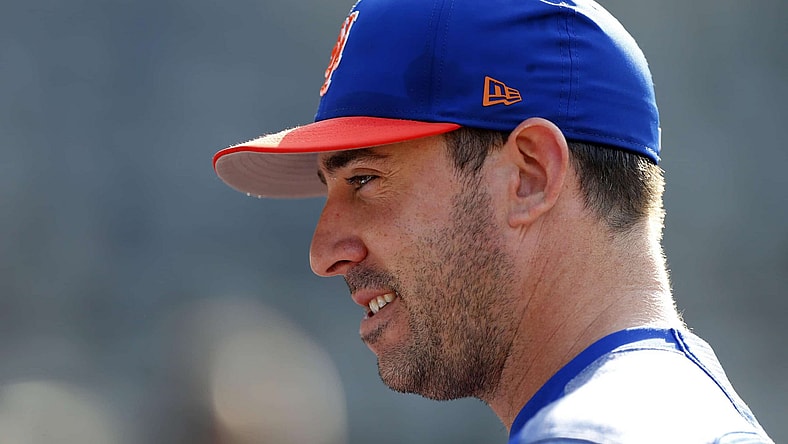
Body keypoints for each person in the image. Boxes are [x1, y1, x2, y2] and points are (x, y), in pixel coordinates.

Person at [212, 0, 774, 442]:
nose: (323, 252)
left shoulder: (587, 434)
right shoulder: (686, 411)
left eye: (364, 179)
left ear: (530, 175)